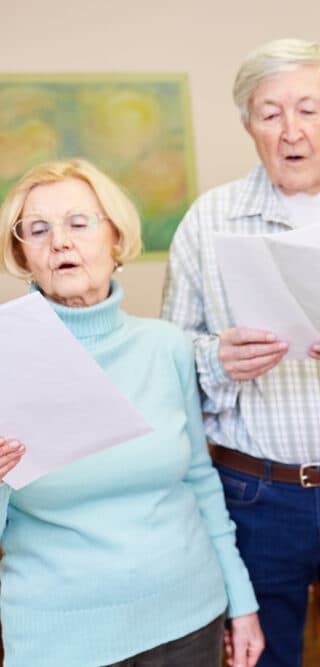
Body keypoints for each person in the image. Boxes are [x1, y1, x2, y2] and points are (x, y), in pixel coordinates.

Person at [161, 39, 320, 667]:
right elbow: (169, 363)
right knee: (262, 656)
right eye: (270, 114)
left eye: (309, 109)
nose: (291, 131)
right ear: (249, 125)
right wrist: (217, 358)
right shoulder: (207, 220)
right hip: (255, 492)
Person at [0, 159, 263, 667]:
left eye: (79, 222)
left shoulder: (166, 347)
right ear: (23, 255)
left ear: (116, 240)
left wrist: (242, 603)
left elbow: (200, 482)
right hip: (61, 637)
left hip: (190, 616)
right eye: (38, 229)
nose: (60, 241)